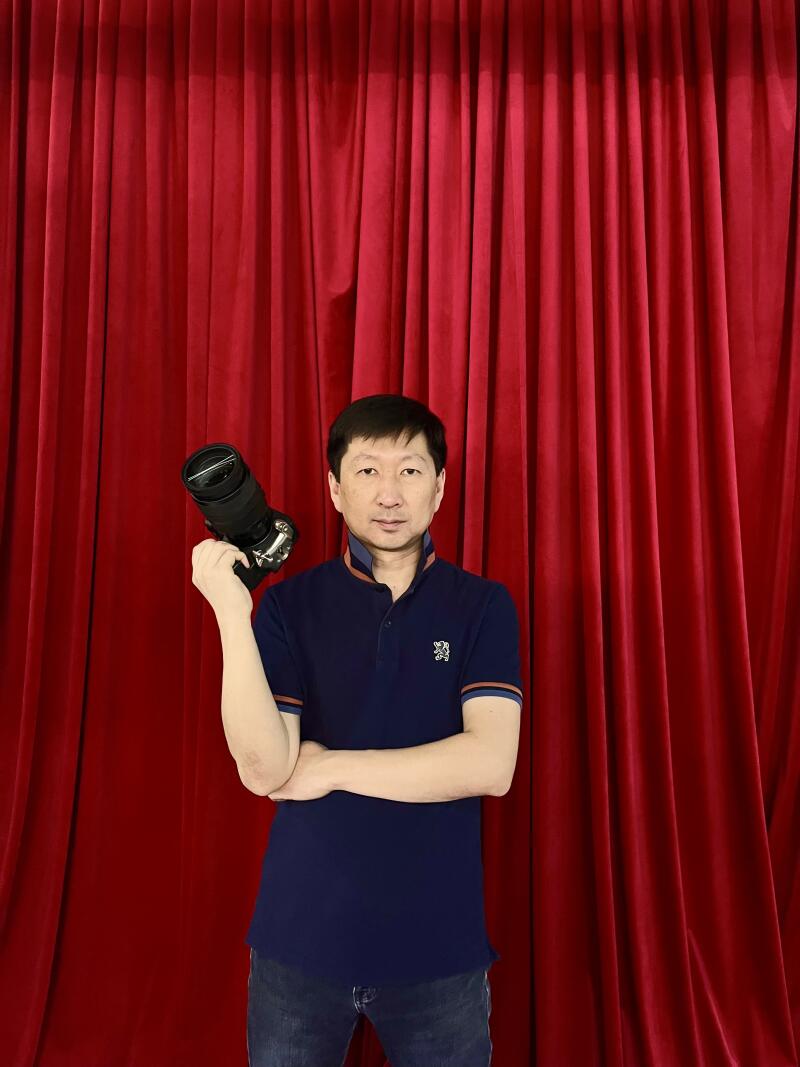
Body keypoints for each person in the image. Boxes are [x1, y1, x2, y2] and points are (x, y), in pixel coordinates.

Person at [191, 393, 523, 1067]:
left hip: (439, 953)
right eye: (368, 470)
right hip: (299, 948)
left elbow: (491, 763)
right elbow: (263, 768)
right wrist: (232, 609)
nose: (389, 492)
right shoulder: (288, 605)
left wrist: (329, 766)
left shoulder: (482, 606)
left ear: (440, 488)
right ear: (336, 490)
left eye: (410, 470)